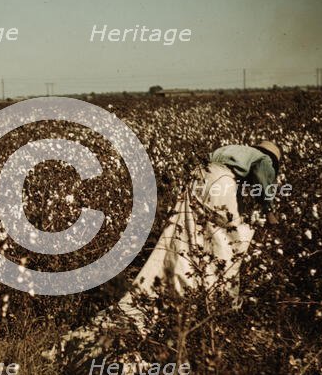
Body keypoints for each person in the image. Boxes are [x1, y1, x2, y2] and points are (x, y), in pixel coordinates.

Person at [47, 141, 283, 361]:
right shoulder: (263, 159)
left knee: (186, 237)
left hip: (198, 181)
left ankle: (189, 281)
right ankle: (213, 296)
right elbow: (264, 182)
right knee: (227, 241)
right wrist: (271, 214)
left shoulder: (235, 152)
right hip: (219, 185)